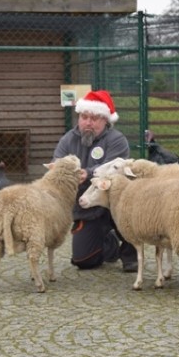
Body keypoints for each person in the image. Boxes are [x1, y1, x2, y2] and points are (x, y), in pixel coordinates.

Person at [52, 89, 137, 272]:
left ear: (105, 120)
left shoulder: (117, 140)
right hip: (87, 206)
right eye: (84, 117)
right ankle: (109, 244)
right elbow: (56, 166)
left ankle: (130, 252)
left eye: (95, 118)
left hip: (114, 203)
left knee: (128, 209)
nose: (88, 122)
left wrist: (88, 174)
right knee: (83, 261)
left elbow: (113, 168)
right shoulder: (67, 140)